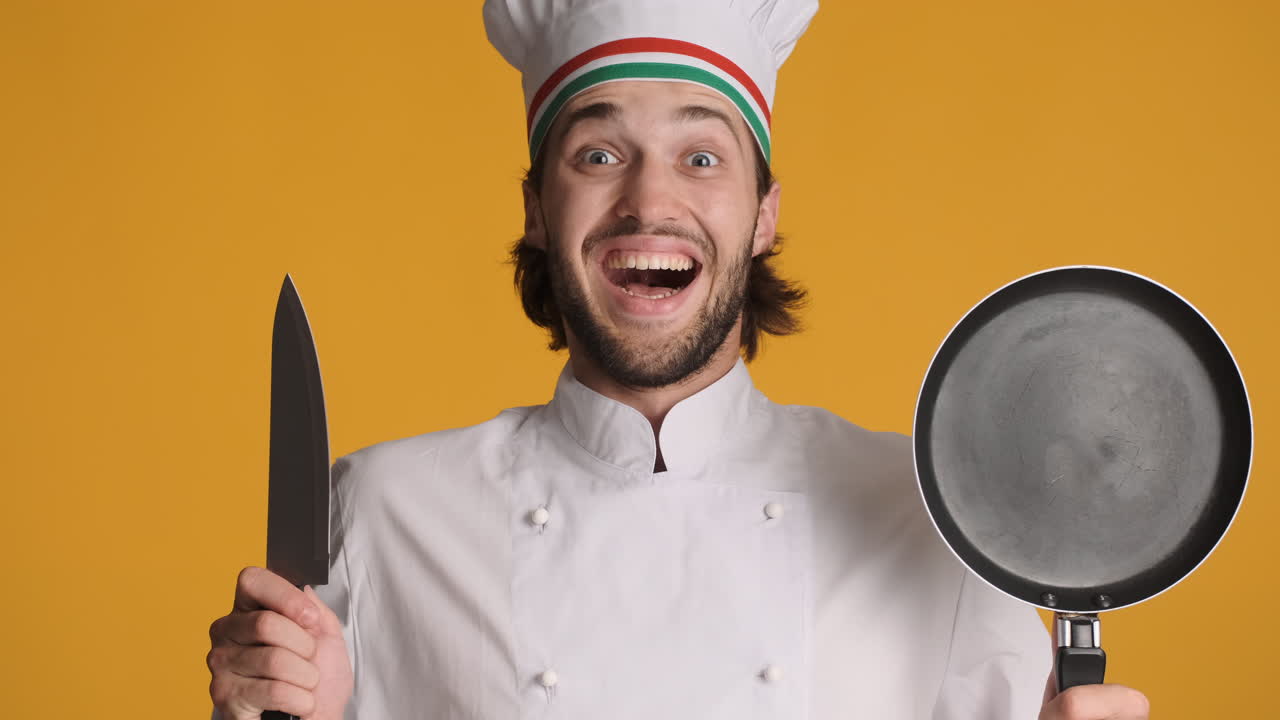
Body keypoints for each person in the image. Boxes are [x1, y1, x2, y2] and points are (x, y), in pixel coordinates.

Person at [206, 1, 1152, 718]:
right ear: (537, 210)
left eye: (701, 157)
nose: (649, 201)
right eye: (598, 155)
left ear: (764, 214)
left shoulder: (933, 522)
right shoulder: (383, 513)